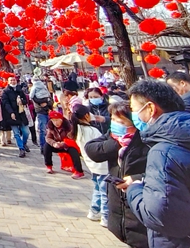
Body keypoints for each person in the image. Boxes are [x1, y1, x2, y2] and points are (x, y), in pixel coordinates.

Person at [122, 80, 190, 248]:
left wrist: (134, 190)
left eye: (133, 109)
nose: (133, 116)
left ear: (151, 108)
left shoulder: (163, 152)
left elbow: (160, 216)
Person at [85, 101, 150, 248]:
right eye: (113, 119)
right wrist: (116, 143)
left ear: (134, 123)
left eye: (120, 122)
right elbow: (92, 149)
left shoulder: (146, 141)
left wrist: (136, 179)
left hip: (138, 205)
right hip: (118, 208)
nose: (114, 124)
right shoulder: (114, 136)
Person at [71, 105, 109, 227]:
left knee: (98, 188)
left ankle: (94, 211)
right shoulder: (92, 131)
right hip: (102, 165)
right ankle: (106, 217)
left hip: (92, 165)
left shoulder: (77, 130)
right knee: (105, 191)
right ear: (86, 115)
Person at [44, 110, 84, 178]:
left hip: (66, 145)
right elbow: (48, 138)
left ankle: (79, 171)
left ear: (61, 119)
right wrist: (54, 143)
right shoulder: (51, 127)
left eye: (57, 120)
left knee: (74, 150)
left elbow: (72, 139)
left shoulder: (69, 127)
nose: (56, 123)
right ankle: (49, 166)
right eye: (53, 121)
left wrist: (62, 143)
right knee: (46, 146)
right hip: (56, 144)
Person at [1, 76, 30, 157]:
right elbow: (6, 103)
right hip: (12, 115)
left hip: (21, 113)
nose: (13, 82)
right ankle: (21, 149)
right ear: (8, 82)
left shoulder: (20, 89)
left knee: (26, 132)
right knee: (16, 133)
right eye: (11, 80)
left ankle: (24, 143)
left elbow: (26, 100)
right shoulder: (5, 91)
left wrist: (22, 101)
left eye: (14, 80)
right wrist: (11, 112)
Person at [30, 77, 52, 153]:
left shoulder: (44, 88)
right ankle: (43, 147)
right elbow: (33, 99)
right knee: (42, 130)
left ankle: (50, 145)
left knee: (50, 129)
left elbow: (50, 99)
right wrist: (43, 102)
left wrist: (47, 102)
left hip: (48, 111)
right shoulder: (34, 91)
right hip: (40, 111)